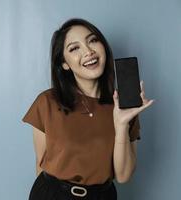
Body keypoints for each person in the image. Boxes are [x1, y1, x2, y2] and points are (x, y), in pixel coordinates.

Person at [22, 18, 154, 200]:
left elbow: (123, 176)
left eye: (92, 40)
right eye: (74, 48)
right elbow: (40, 164)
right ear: (65, 63)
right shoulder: (47, 102)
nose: (89, 51)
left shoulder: (124, 107)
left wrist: (121, 124)